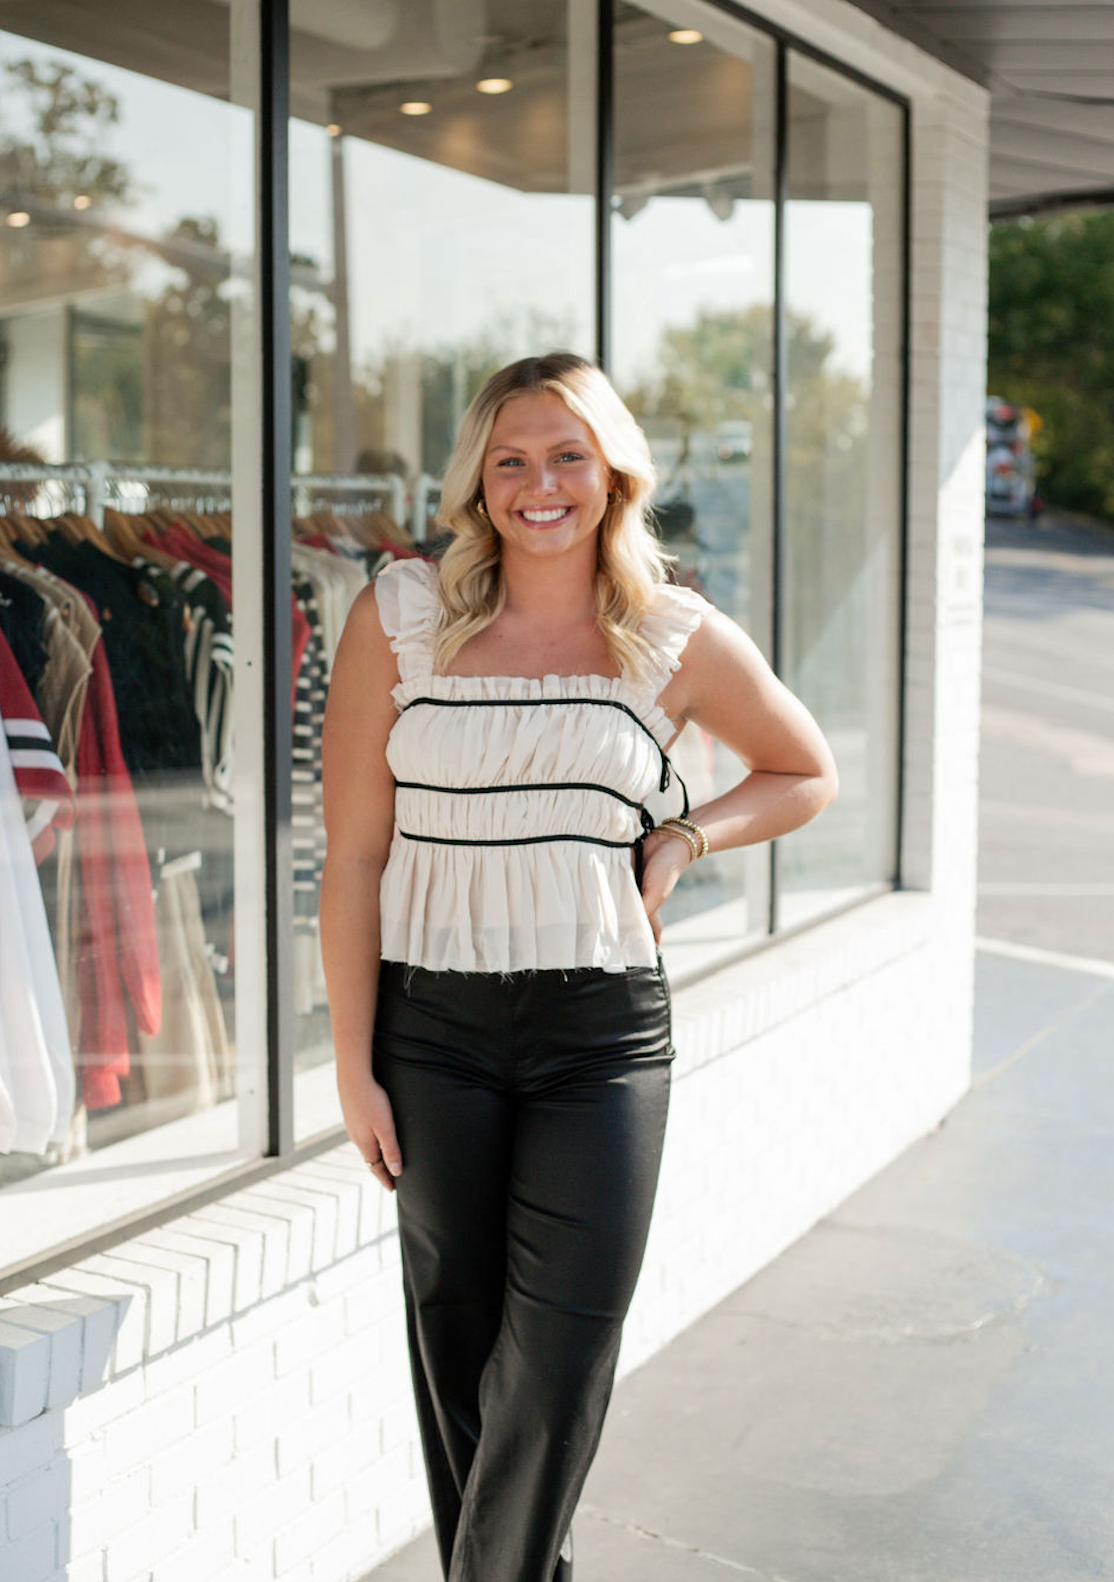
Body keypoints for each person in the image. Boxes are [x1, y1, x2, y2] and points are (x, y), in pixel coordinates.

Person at [320, 352, 838, 1582]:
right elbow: (350, 859)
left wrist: (689, 834)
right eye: (510, 458)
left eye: (567, 456)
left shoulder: (669, 633)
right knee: (459, 1356)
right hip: (429, 1029)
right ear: (477, 481)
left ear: (611, 475)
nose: (538, 483)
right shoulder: (398, 614)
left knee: (553, 1366)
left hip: (599, 1041)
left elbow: (803, 769)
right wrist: (353, 1069)